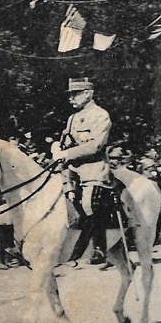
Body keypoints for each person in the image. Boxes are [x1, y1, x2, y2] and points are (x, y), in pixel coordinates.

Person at [52, 78, 117, 265]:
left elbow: (95, 146)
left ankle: (99, 247)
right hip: (72, 169)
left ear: (88, 93)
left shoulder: (100, 115)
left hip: (93, 169)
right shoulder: (72, 118)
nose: (71, 98)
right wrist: (57, 148)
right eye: (70, 95)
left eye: (75, 94)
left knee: (89, 204)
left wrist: (66, 154)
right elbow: (65, 142)